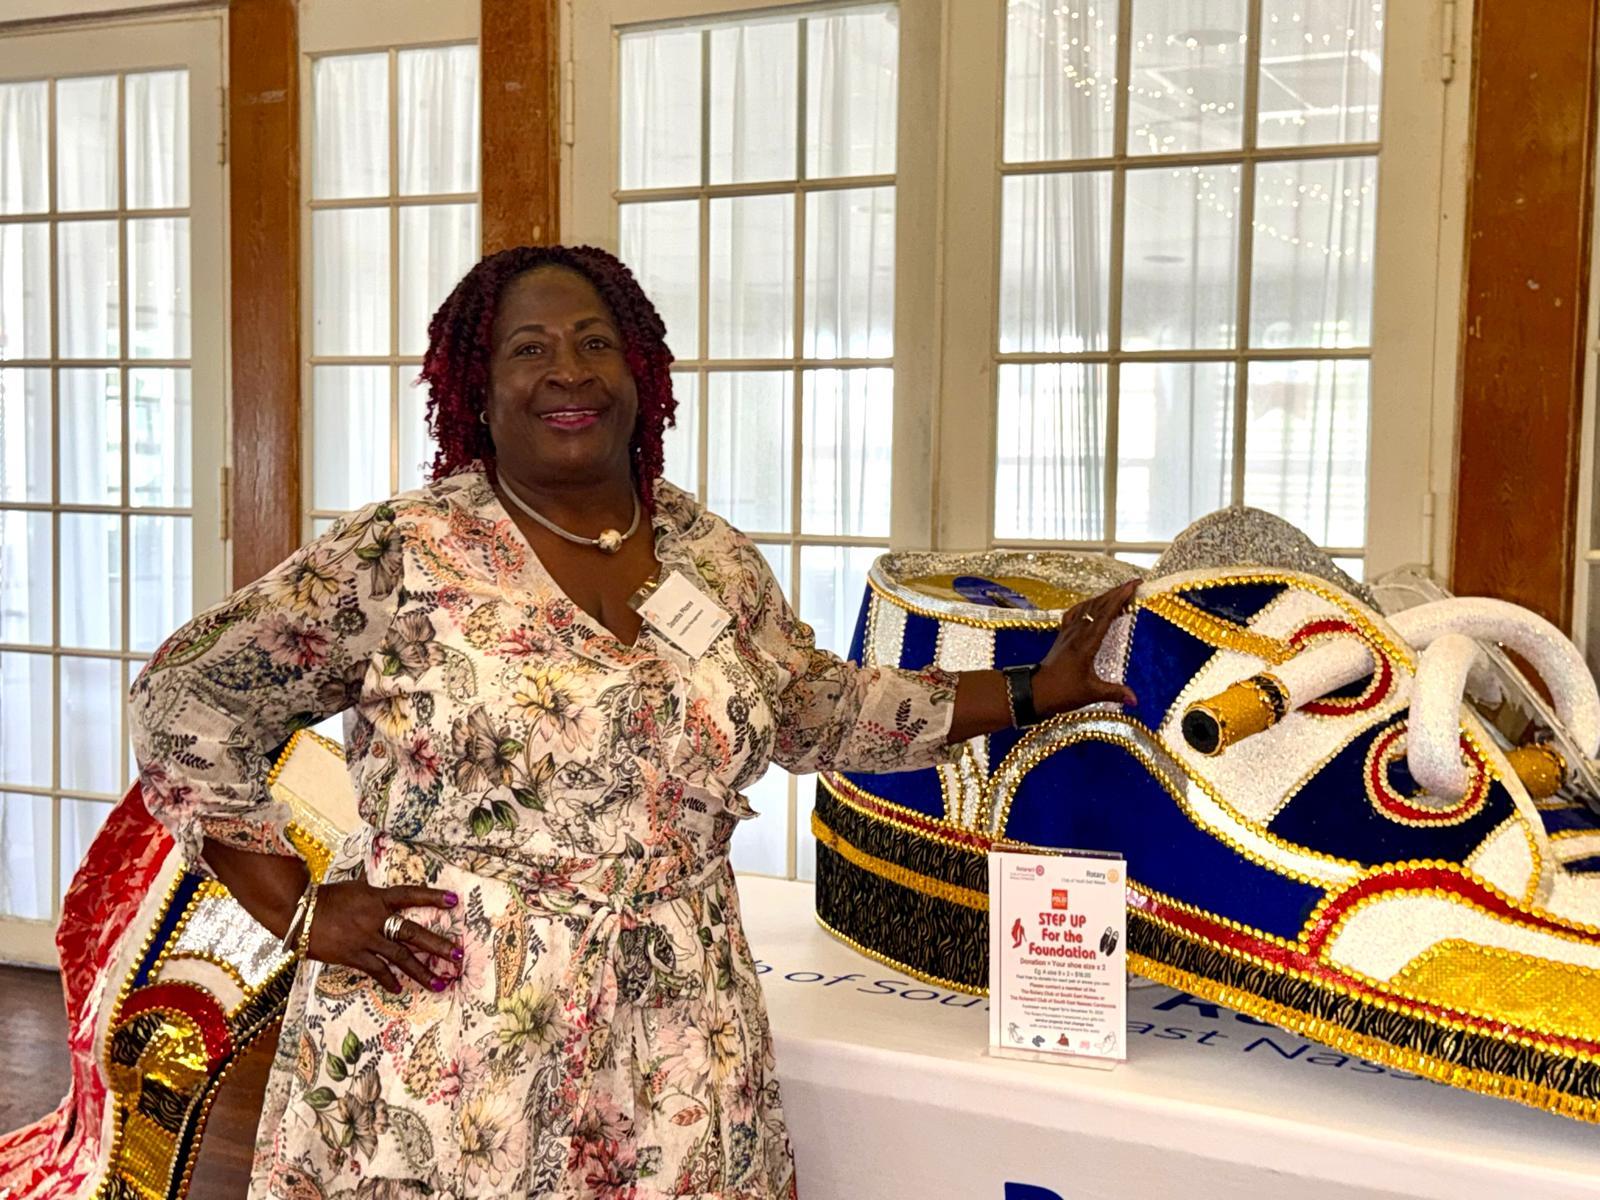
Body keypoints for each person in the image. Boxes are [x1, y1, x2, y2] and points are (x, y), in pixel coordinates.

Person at [129, 243, 1137, 1199]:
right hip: (453, 1029)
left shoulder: (707, 552)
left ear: (639, 372)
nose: (567, 372)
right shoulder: (402, 553)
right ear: (476, 388)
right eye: (528, 349)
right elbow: (187, 697)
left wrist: (1028, 690)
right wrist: (298, 910)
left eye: (594, 342)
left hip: (679, 1025)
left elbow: (813, 709)